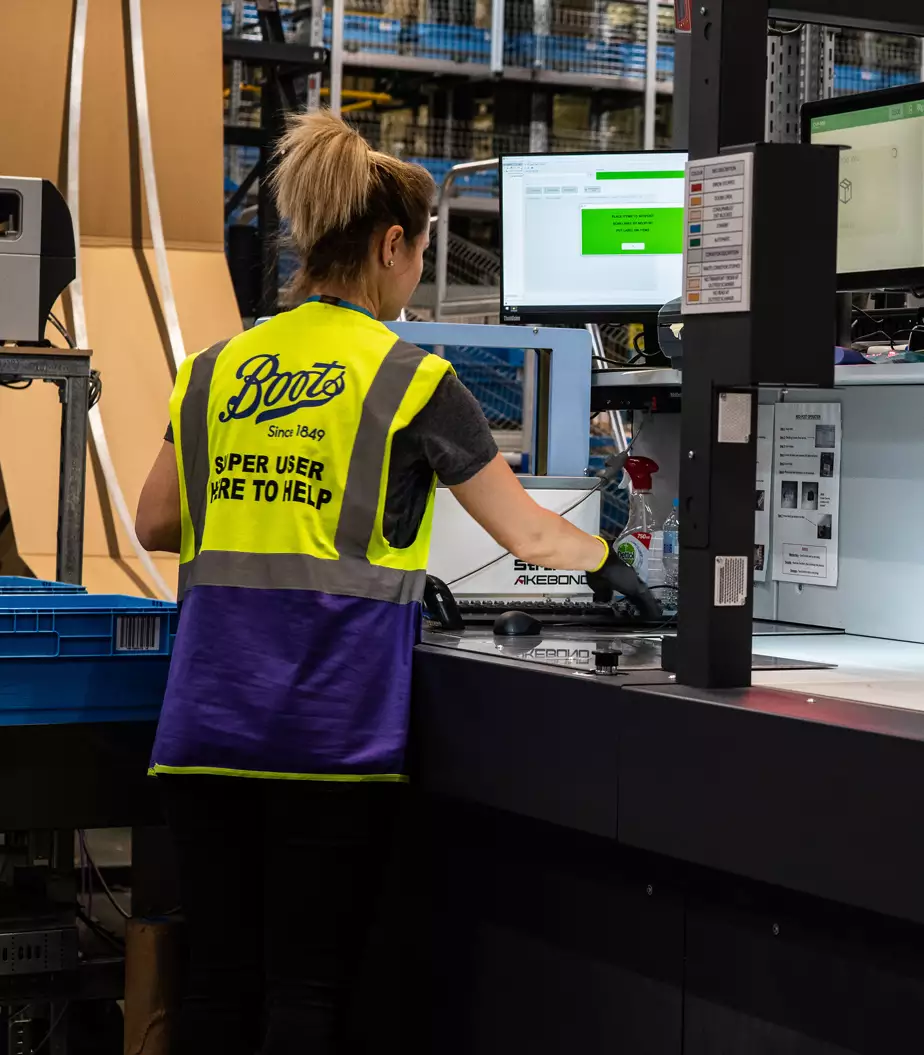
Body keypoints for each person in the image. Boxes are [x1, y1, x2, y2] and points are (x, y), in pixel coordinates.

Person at [136, 110, 644, 1055]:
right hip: (327, 732)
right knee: (305, 993)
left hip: (204, 727)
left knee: (216, 986)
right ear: (391, 245)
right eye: (421, 252)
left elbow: (154, 523)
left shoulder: (213, 368)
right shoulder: (412, 376)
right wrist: (615, 565)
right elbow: (530, 530)